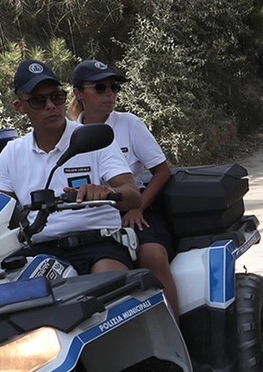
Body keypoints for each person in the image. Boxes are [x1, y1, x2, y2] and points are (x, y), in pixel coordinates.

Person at [0, 58, 140, 274]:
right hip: (39, 250)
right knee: (3, 294)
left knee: (108, 286)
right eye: (38, 101)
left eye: (56, 97)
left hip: (98, 244)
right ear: (20, 107)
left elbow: (133, 196)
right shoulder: (12, 153)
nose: (50, 105)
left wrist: (108, 192)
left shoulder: (95, 139)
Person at [68, 59, 183, 312]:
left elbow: (162, 171)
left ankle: (177, 335)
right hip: (91, 214)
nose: (110, 94)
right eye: (100, 87)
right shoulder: (68, 134)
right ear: (78, 93)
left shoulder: (129, 124)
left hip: (134, 207)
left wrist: (138, 209)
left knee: (152, 256)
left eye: (114, 87)